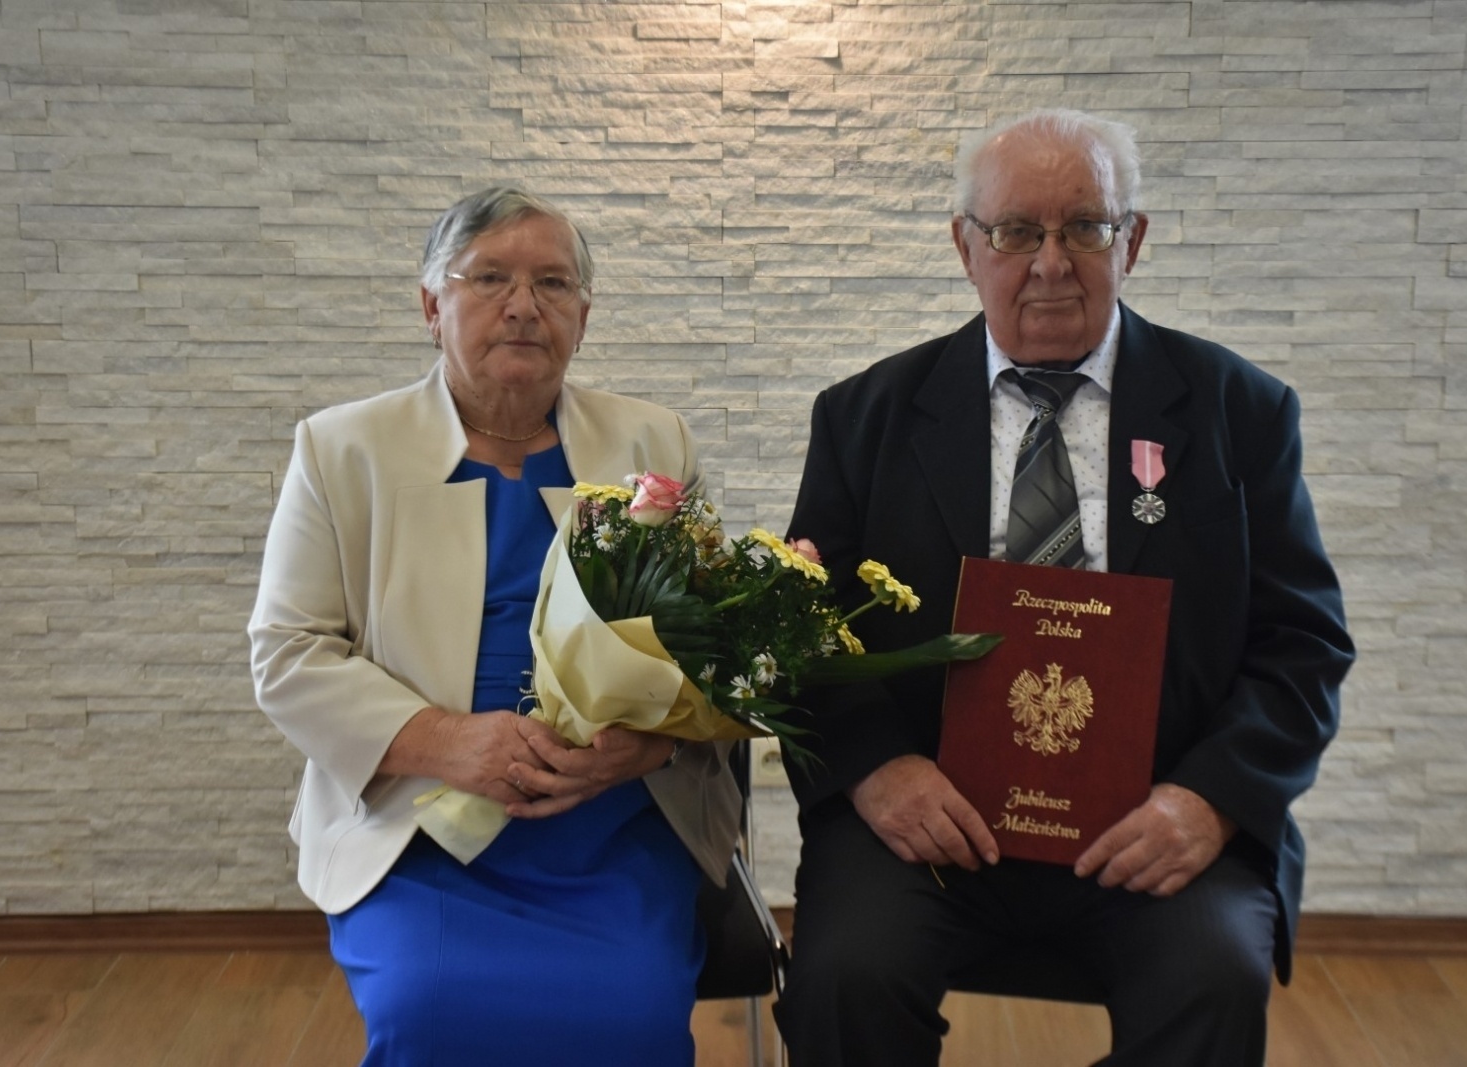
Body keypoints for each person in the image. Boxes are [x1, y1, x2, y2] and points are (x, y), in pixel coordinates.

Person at [774, 109, 1355, 1066]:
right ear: (966, 247)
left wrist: (1207, 801)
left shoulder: (1239, 413)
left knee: (1214, 977)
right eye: (1015, 231)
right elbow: (808, 632)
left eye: (1085, 226)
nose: (1050, 261)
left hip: (1153, 822)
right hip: (931, 822)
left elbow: (1303, 644)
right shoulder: (864, 417)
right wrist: (877, 771)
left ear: (1134, 240)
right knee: (849, 975)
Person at [247, 186, 741, 1066]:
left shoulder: (651, 442)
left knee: (628, 1017)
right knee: (430, 1011)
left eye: (552, 284)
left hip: (615, 815)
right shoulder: (341, 448)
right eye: (491, 279)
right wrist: (446, 740)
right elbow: (288, 655)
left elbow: (726, 649)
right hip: (419, 817)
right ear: (432, 306)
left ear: (582, 319)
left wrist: (651, 748)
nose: (523, 306)